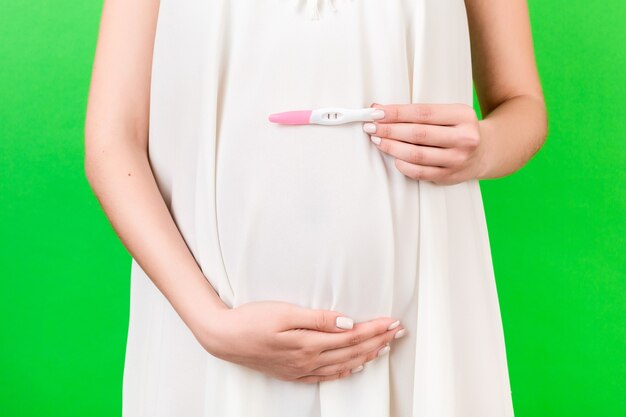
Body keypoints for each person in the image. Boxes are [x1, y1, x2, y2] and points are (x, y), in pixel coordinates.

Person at [84, 0, 547, 416]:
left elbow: (523, 106)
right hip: (213, 345)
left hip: (418, 335)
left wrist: (483, 147)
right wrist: (213, 326)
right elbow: (112, 142)